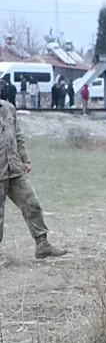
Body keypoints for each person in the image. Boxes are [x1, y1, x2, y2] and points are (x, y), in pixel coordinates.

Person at [0, 99, 67, 259]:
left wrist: (25, 159)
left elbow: (18, 136)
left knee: (32, 205)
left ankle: (42, 245)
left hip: (15, 169)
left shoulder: (8, 108)